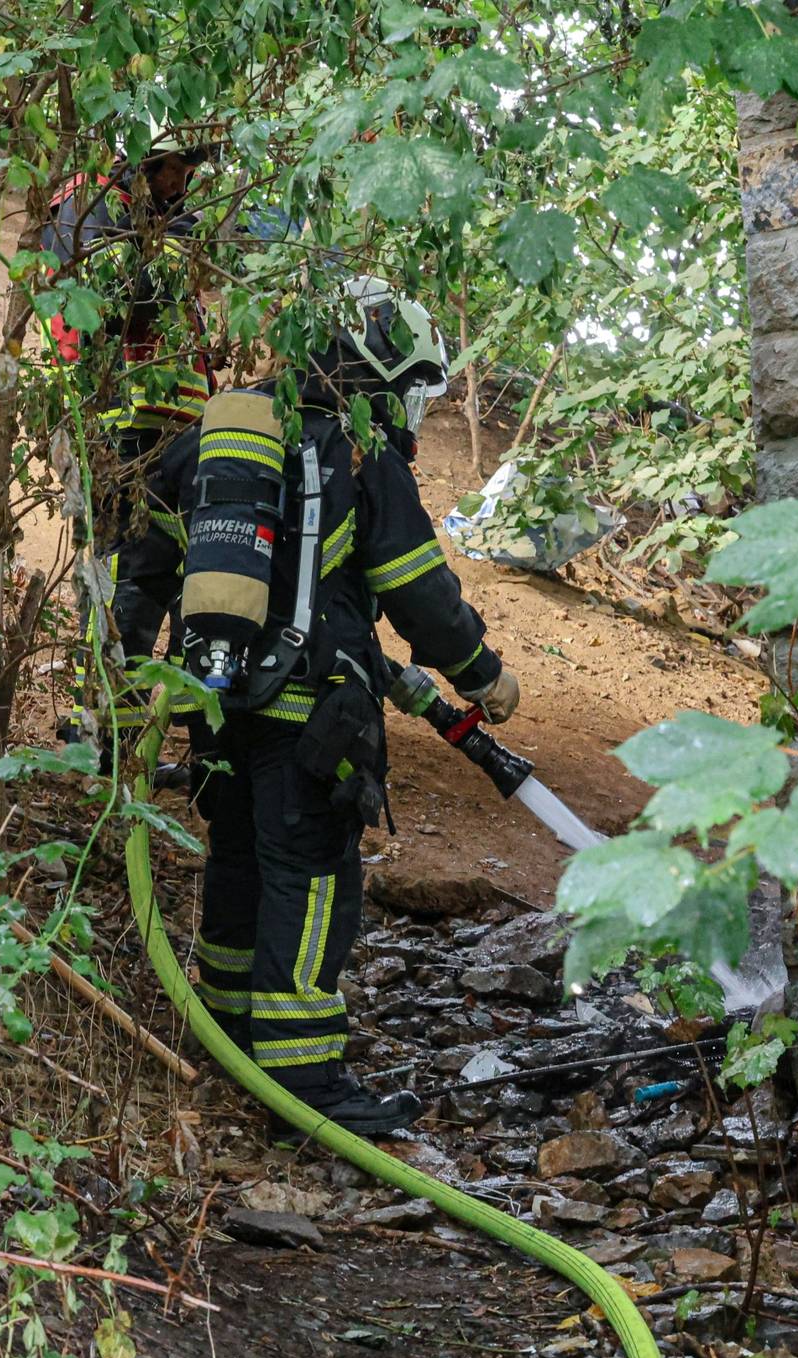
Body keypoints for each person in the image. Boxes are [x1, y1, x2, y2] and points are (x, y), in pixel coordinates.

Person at [151, 275, 520, 1136]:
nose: (410, 410)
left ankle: (230, 1037)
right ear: (375, 371)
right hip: (311, 719)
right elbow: (417, 591)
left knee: (238, 860)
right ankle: (305, 1086)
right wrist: (483, 674)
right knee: (311, 882)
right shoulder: (357, 453)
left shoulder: (220, 437)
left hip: (215, 705)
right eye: (410, 389)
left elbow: (152, 551)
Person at [43, 127, 219, 769]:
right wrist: (170, 253)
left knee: (159, 575)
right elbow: (114, 301)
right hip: (118, 427)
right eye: (172, 166)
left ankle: (122, 733)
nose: (182, 180)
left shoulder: (159, 218)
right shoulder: (90, 205)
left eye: (188, 168)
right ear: (136, 159)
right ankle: (95, 731)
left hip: (166, 430)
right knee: (120, 573)